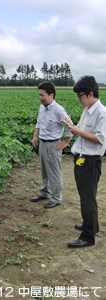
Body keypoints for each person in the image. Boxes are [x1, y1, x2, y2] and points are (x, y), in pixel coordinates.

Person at [65, 76, 106, 248]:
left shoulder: (102, 113)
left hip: (90, 161)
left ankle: (88, 237)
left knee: (88, 198)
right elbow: (82, 132)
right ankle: (92, 225)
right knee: (85, 197)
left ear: (90, 94)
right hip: (82, 158)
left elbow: (100, 139)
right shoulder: (87, 110)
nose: (78, 99)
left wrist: (78, 132)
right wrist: (72, 127)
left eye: (80, 95)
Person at [31, 81, 72, 208]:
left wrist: (66, 142)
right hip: (43, 143)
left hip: (53, 145)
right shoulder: (42, 107)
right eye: (39, 95)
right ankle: (44, 193)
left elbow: (70, 127)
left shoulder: (58, 110)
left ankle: (56, 198)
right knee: (44, 170)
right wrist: (35, 136)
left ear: (51, 95)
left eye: (42, 95)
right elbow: (39, 122)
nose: (40, 97)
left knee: (54, 172)